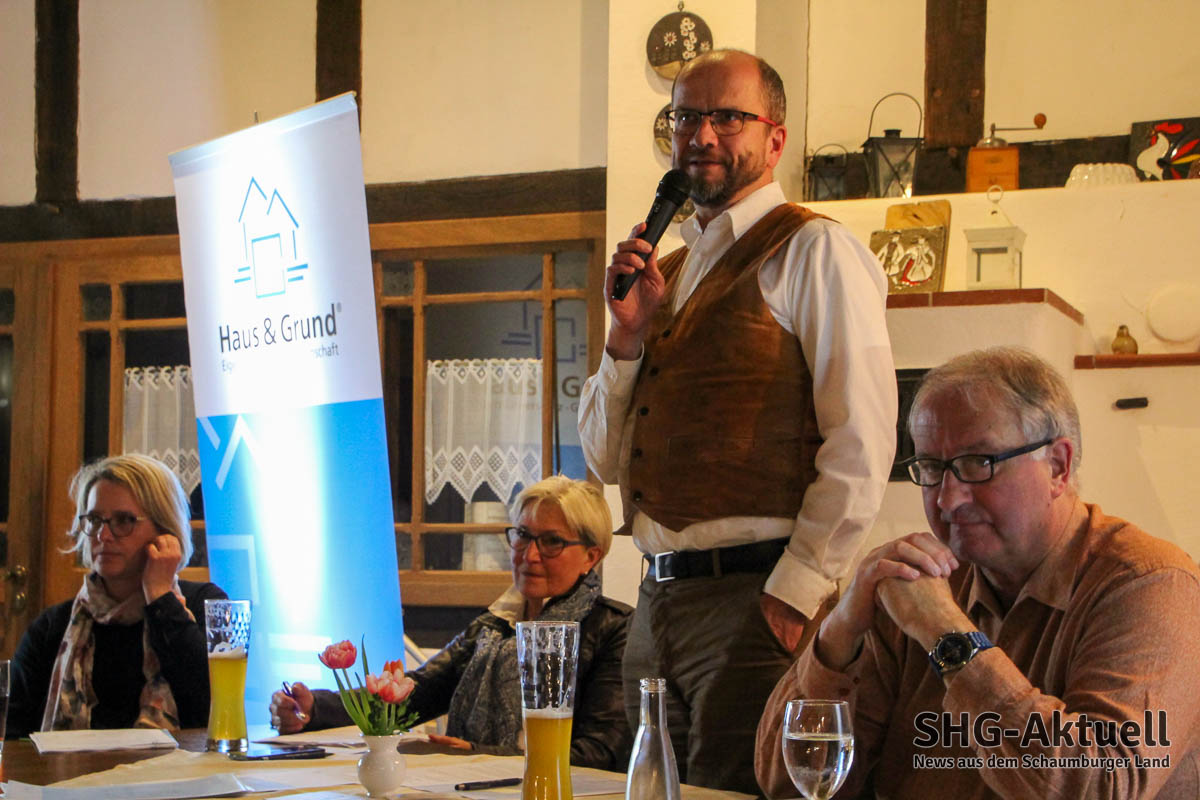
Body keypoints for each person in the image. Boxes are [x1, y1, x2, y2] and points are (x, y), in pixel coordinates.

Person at [578, 48, 896, 793]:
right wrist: (626, 337)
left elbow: (863, 439)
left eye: (727, 117)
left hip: (755, 599)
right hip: (656, 603)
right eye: (686, 117)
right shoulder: (667, 272)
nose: (702, 135)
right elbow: (600, 459)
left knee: (741, 791)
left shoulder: (815, 249)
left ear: (775, 138)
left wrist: (796, 592)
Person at [756, 347, 1200, 799]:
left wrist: (949, 637)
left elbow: (1097, 787)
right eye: (932, 468)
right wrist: (839, 631)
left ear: (1058, 467)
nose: (948, 500)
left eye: (978, 464)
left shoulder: (1151, 585)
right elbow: (789, 785)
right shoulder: (916, 582)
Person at [270, 476, 633, 771]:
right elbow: (419, 691)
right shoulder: (497, 624)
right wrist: (314, 709)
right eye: (523, 535)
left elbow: (600, 753)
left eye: (552, 542)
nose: (530, 554)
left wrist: (479, 754)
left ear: (591, 556)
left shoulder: (614, 629)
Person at [8, 454, 226, 737]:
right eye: (94, 520)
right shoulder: (53, 627)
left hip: (182, 766)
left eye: (124, 521)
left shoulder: (204, 604)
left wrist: (160, 598)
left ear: (165, 531)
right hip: (71, 767)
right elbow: (12, 733)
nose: (103, 535)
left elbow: (216, 702)